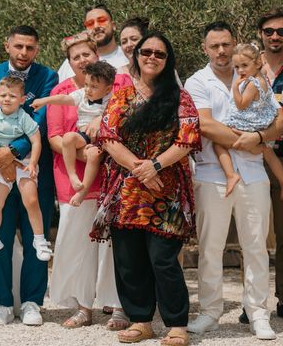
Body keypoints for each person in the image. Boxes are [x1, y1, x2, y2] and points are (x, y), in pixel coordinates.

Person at [88, 31, 200, 346]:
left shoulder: (180, 97)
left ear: (168, 60)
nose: (152, 57)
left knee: (163, 259)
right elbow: (109, 137)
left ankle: (177, 323)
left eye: (159, 53)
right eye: (146, 51)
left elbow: (188, 138)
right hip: (127, 190)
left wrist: (156, 166)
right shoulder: (121, 96)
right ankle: (141, 320)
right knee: (129, 258)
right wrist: (141, 168)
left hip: (168, 189)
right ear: (136, 56)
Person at [185, 21, 283, 340]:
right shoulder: (197, 81)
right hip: (212, 174)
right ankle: (211, 312)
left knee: (255, 245)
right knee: (211, 247)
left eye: (226, 44)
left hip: (254, 173)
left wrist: (260, 136)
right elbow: (205, 125)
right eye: (214, 46)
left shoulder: (254, 75)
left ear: (234, 44)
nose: (221, 51)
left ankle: (258, 312)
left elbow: (280, 119)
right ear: (205, 49)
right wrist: (244, 141)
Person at [0, 25, 58, 326]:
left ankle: (32, 302)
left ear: (37, 49)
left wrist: (15, 151)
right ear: (7, 46)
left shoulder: (48, 77)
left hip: (32, 168)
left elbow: (42, 120)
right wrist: (2, 156)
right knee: (0, 234)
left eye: (30, 47)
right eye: (19, 46)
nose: (24, 52)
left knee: (33, 235)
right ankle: (2, 302)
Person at [47, 31, 125, 330]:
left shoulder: (119, 85)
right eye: (75, 57)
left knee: (114, 246)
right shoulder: (64, 90)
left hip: (113, 178)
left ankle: (118, 306)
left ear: (97, 57)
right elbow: (55, 136)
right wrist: (85, 156)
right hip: (76, 181)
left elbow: (128, 121)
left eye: (87, 55)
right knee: (79, 244)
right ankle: (83, 306)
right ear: (69, 62)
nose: (82, 60)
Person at [236, 9, 283, 324]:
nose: (274, 36)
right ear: (261, 33)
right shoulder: (246, 65)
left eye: (281, 31)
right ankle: (251, 302)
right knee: (252, 233)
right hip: (250, 158)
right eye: (269, 31)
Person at [0, 76, 50, 261]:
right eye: (3, 95)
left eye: (12, 96)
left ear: (22, 99)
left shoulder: (23, 117)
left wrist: (33, 162)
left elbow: (35, 140)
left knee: (31, 200)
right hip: (1, 164)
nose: (7, 99)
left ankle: (39, 240)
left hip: (24, 162)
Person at [32, 60, 116, 205]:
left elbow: (119, 114)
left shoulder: (113, 98)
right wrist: (45, 100)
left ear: (108, 89)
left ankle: (82, 192)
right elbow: (65, 98)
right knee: (69, 137)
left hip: (104, 138)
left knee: (93, 155)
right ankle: (73, 176)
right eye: (87, 85)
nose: (88, 89)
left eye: (94, 87)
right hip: (84, 134)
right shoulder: (83, 94)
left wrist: (100, 118)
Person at [212, 42, 283, 198]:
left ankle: (231, 175)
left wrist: (235, 88)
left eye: (244, 65)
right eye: (236, 67)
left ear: (257, 63)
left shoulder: (252, 84)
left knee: (218, 143)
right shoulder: (263, 78)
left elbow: (241, 105)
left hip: (248, 123)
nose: (240, 71)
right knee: (268, 152)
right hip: (261, 123)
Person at [57, 5, 128, 82]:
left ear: (113, 25)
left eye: (102, 20)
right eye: (90, 23)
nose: (96, 26)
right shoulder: (71, 64)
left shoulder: (128, 57)